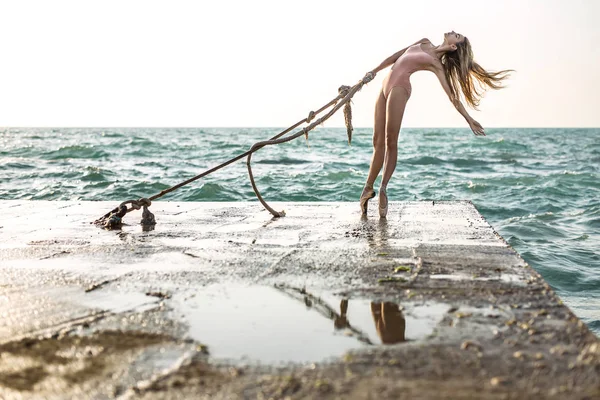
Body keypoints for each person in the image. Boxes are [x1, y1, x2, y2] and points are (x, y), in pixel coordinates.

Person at [360, 31, 512, 218]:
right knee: (377, 142)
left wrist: (468, 118)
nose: (453, 32)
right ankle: (368, 188)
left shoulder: (436, 64)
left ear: (454, 46)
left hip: (400, 87)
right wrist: (373, 71)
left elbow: (452, 96)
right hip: (384, 85)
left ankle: (383, 188)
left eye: (457, 36)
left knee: (390, 140)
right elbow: (395, 57)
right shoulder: (424, 41)